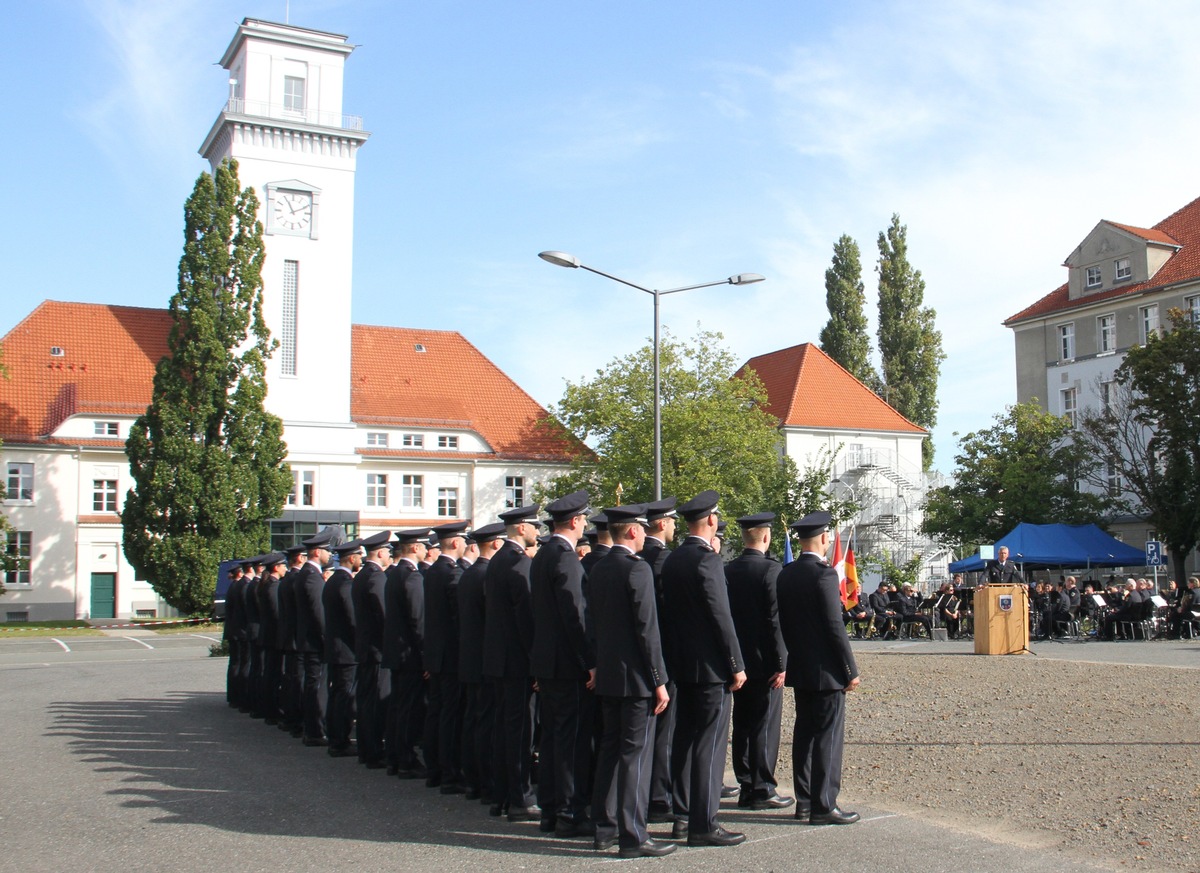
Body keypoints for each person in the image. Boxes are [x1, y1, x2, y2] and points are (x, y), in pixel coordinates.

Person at [587, 503, 675, 859]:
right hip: (636, 679)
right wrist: (659, 680)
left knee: (610, 752)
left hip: (608, 675)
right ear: (635, 531)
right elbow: (647, 631)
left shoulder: (599, 567)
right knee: (634, 757)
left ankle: (604, 827)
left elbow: (592, 624)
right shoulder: (635, 570)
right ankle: (633, 834)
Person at [660, 490, 747, 848]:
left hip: (682, 664)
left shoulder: (674, 559)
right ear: (711, 520)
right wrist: (735, 664)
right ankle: (704, 822)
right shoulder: (706, 560)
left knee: (684, 739)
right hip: (710, 667)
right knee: (709, 746)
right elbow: (720, 616)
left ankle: (682, 816)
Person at [776, 510, 861, 825]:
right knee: (827, 737)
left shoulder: (786, 573)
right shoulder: (824, 575)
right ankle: (825, 804)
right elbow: (833, 626)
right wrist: (850, 669)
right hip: (826, 670)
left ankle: (805, 801)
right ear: (824, 539)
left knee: (805, 734)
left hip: (801, 665)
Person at [530, 490, 596, 837]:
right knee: (571, 743)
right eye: (583, 518)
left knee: (554, 739)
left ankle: (551, 809)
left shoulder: (543, 555)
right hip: (567, 664)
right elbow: (576, 614)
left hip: (547, 662)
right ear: (574, 522)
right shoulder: (566, 558)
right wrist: (590, 661)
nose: (585, 523)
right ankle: (569, 812)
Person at [723, 512, 792, 811]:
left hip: (737, 659)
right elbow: (774, 621)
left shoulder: (728, 569)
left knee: (742, 723)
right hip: (765, 662)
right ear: (766, 537)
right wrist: (782, 662)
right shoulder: (771, 570)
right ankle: (762, 787)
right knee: (764, 725)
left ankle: (746, 784)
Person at [482, 503, 542, 822]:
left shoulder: (498, 561)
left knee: (504, 730)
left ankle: (503, 794)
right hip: (517, 663)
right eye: (534, 526)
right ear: (521, 528)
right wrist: (536, 664)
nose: (537, 532)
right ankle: (520, 797)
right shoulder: (519, 565)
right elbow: (526, 622)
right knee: (520, 733)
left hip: (499, 660)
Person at [458, 522, 506, 801]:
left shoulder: (469, 574)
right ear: (497, 544)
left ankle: (473, 780)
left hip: (470, 657)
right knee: (487, 723)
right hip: (486, 658)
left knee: (475, 720)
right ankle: (485, 782)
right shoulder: (486, 575)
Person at [637, 496, 678, 824]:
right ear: (662, 524)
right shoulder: (663, 561)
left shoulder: (637, 557)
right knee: (664, 732)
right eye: (672, 521)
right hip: (664, 655)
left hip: (637, 657)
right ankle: (658, 797)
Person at [423, 520, 471, 793]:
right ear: (455, 542)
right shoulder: (451, 573)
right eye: (463, 540)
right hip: (450, 654)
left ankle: (435, 769)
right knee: (450, 716)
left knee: (438, 712)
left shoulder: (432, 571)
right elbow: (457, 618)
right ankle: (449, 772)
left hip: (435, 653)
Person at [382, 528, 429, 776]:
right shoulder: (412, 577)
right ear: (414, 548)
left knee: (398, 707)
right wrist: (425, 656)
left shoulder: (396, 574)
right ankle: (406, 759)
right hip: (409, 654)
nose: (425, 549)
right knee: (408, 709)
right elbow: (418, 621)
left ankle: (394, 756)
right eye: (422, 545)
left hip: (397, 652)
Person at [351, 530, 392, 769]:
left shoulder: (362, 576)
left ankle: (367, 749)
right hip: (377, 649)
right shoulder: (376, 578)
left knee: (366, 700)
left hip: (366, 647)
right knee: (375, 702)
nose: (389, 554)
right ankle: (374, 750)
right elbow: (385, 615)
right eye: (387, 550)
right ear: (379, 552)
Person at [296, 528, 335, 746]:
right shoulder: (312, 578)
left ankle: (312, 729)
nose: (330, 555)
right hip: (314, 642)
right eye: (327, 551)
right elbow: (319, 614)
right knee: (317, 686)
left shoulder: (307, 575)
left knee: (314, 684)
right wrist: (325, 640)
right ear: (317, 552)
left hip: (308, 639)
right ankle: (315, 730)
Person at [324, 539, 362, 756]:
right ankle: (340, 740)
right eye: (359, 556)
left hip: (336, 649)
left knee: (337, 693)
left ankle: (335, 737)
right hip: (346, 650)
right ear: (352, 558)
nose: (361, 560)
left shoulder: (333, 581)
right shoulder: (345, 583)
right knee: (344, 697)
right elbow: (353, 619)